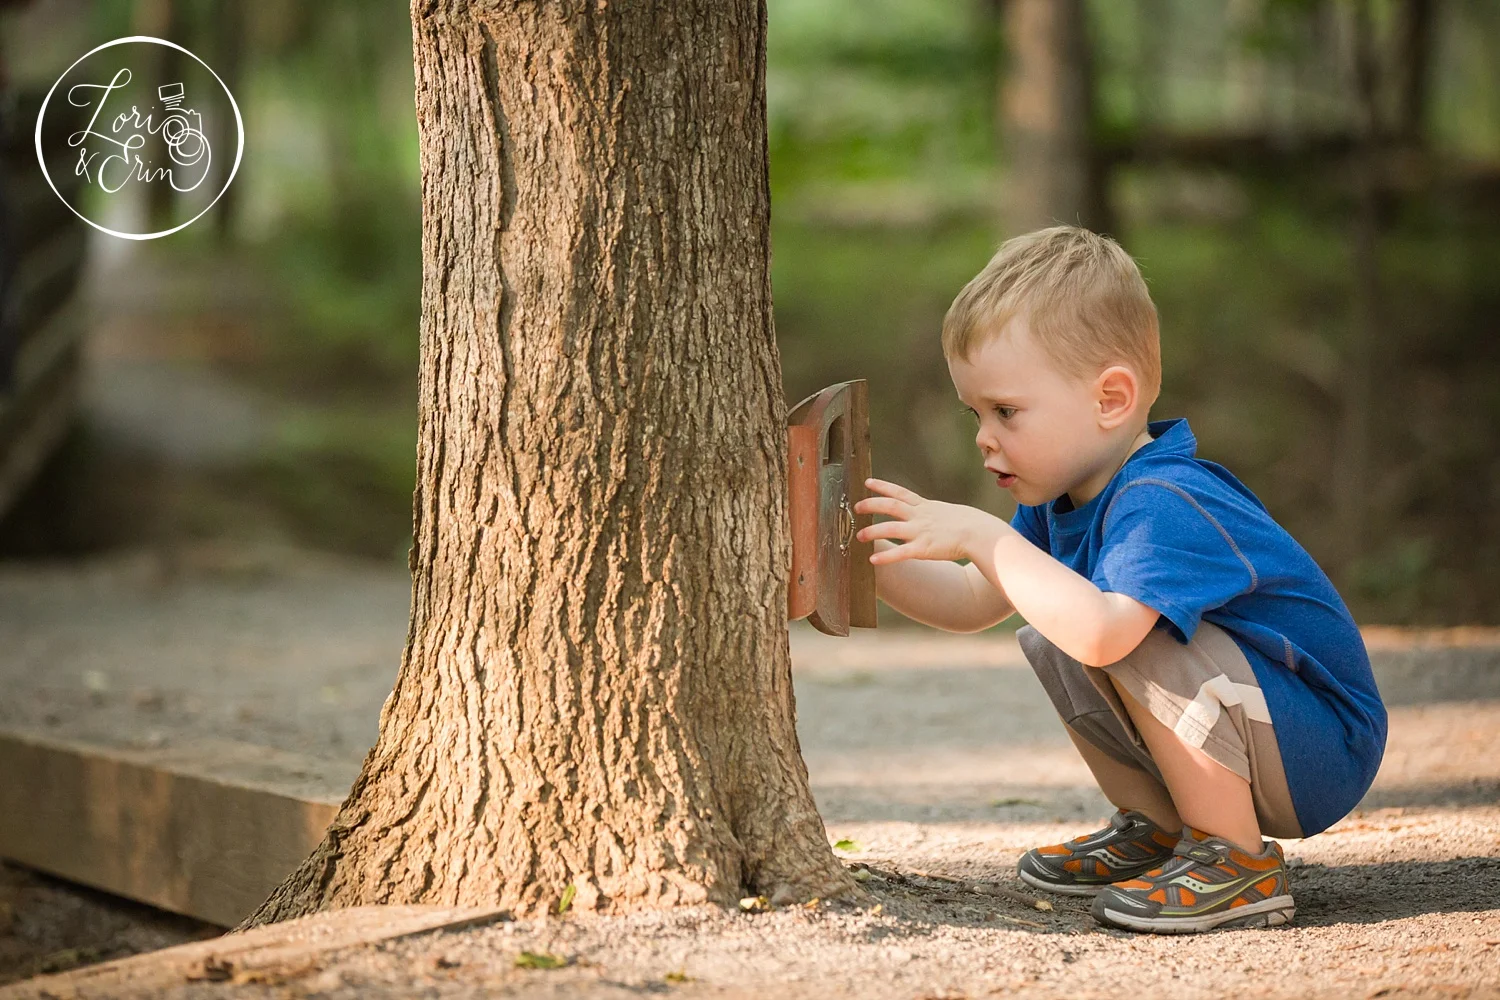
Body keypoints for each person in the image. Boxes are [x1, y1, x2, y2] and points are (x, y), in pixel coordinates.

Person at [853, 224, 1387, 934]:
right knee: (1050, 633)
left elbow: (1106, 635)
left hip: (1319, 741)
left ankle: (1236, 861)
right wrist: (870, 560)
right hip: (1267, 734)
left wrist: (980, 535)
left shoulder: (1162, 499)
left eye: (1006, 411)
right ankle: (1161, 829)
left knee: (1113, 630)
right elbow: (974, 599)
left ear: (1110, 399)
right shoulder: (1059, 499)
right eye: (975, 413)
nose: (984, 435)